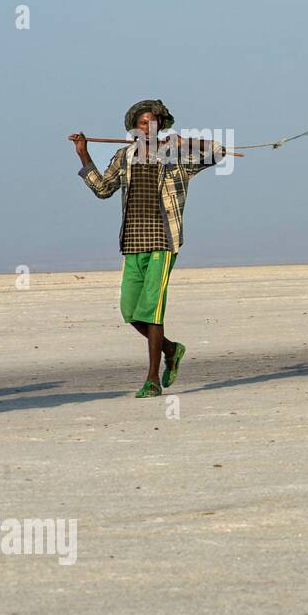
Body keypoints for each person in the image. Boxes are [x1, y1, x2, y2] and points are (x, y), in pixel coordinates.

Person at [70, 99, 225, 398]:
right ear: (134, 128)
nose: (147, 127)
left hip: (163, 241)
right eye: (142, 123)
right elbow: (103, 189)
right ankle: (171, 348)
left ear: (161, 126)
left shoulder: (176, 156)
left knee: (152, 311)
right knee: (130, 311)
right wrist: (83, 154)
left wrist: (187, 141)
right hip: (132, 240)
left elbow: (217, 152)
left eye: (153, 122)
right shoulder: (124, 156)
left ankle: (152, 379)